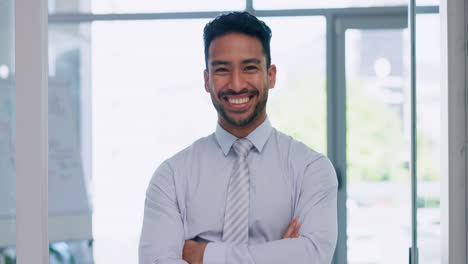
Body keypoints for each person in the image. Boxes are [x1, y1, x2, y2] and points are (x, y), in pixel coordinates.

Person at [139, 12, 338, 264]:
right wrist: (278, 254)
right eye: (222, 70)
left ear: (271, 75)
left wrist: (204, 255)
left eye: (249, 68)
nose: (236, 84)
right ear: (207, 80)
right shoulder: (172, 176)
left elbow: (314, 256)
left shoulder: (311, 169)